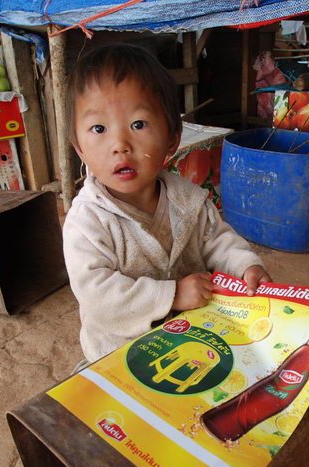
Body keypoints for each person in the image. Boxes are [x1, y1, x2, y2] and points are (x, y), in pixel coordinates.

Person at [63, 43, 271, 364]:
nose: (120, 144)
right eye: (99, 129)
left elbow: (217, 241)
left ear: (173, 138)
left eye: (138, 124)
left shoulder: (189, 199)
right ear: (80, 149)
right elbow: (98, 296)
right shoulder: (86, 221)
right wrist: (172, 295)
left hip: (189, 337)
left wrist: (246, 265)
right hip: (120, 352)